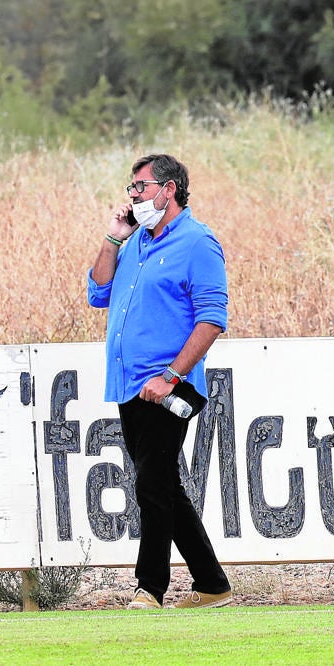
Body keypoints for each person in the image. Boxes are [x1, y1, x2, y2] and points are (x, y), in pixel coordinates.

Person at [88, 153, 234, 609]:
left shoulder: (198, 242)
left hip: (168, 387)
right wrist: (113, 238)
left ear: (169, 190)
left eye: (141, 188)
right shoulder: (135, 242)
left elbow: (212, 319)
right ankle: (211, 585)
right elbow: (97, 291)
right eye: (131, 188)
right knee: (163, 483)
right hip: (130, 384)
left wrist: (171, 376)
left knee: (151, 486)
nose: (134, 196)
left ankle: (148, 588)